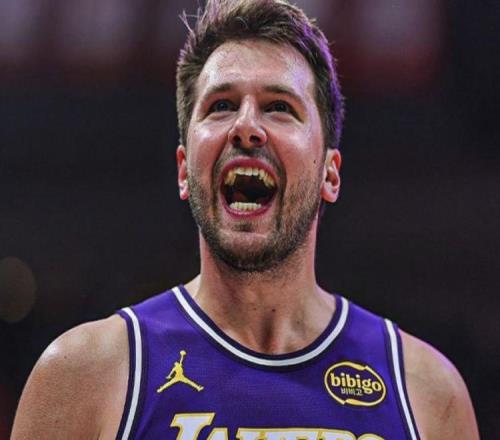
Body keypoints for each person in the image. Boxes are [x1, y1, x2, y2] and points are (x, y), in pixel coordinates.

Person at [11, 0, 479, 439]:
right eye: (221, 106)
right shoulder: (85, 375)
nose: (246, 127)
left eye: (279, 107)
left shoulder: (427, 393)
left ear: (329, 174)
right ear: (184, 170)